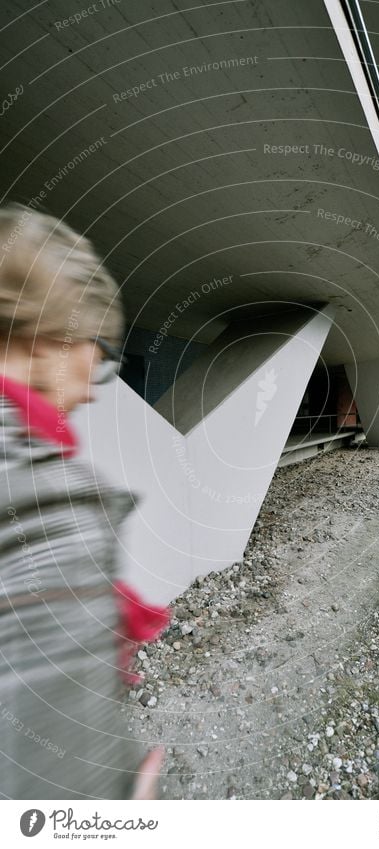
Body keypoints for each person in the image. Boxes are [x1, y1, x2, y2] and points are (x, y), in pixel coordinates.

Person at [0, 203, 168, 799]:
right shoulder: (46, 510)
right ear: (44, 344)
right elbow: (54, 779)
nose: (94, 397)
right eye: (97, 365)